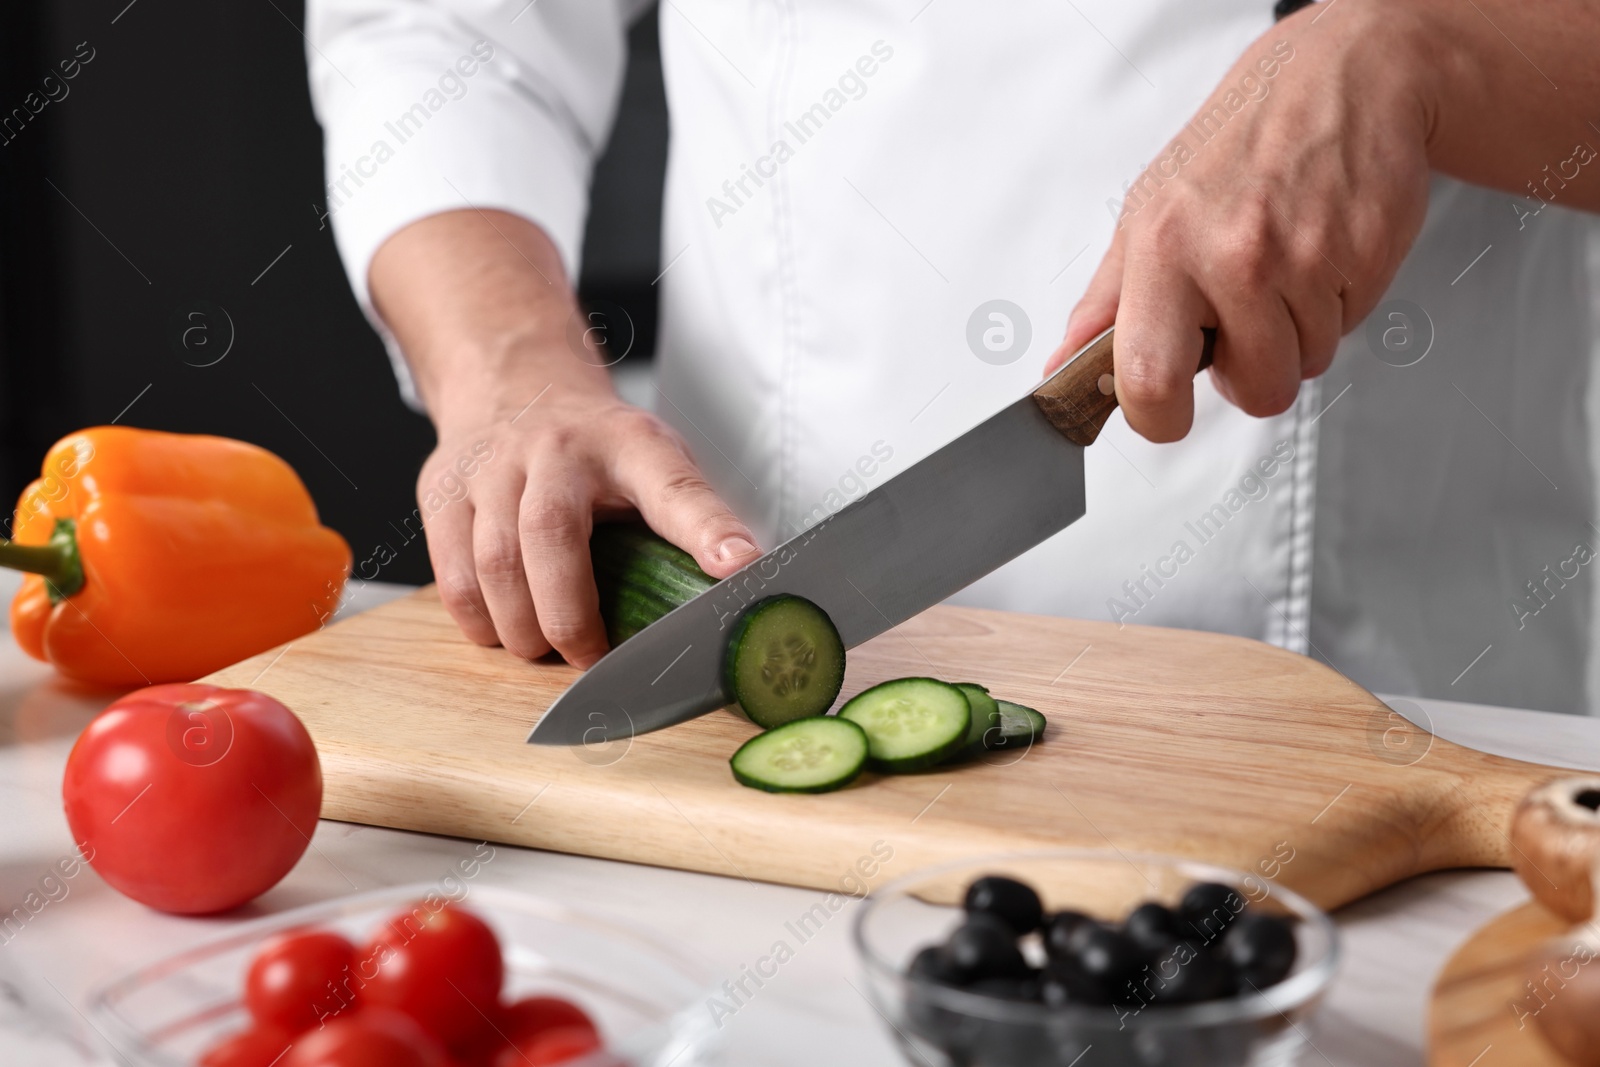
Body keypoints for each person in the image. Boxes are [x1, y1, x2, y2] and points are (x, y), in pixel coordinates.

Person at [307, 0, 1600, 712]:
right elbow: (444, 29)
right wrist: (511, 370)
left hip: (1464, 686)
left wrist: (1427, 56)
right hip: (802, 708)